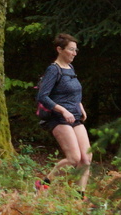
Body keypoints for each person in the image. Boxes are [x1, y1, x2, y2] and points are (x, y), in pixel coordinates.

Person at [35, 33, 92, 198]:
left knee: (86, 158)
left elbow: (74, 92)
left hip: (75, 117)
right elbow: (42, 96)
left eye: (76, 50)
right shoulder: (54, 69)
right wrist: (63, 110)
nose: (74, 53)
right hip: (59, 118)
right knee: (74, 158)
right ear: (60, 50)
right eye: (71, 50)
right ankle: (43, 185)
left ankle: (79, 196)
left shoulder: (71, 68)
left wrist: (80, 106)